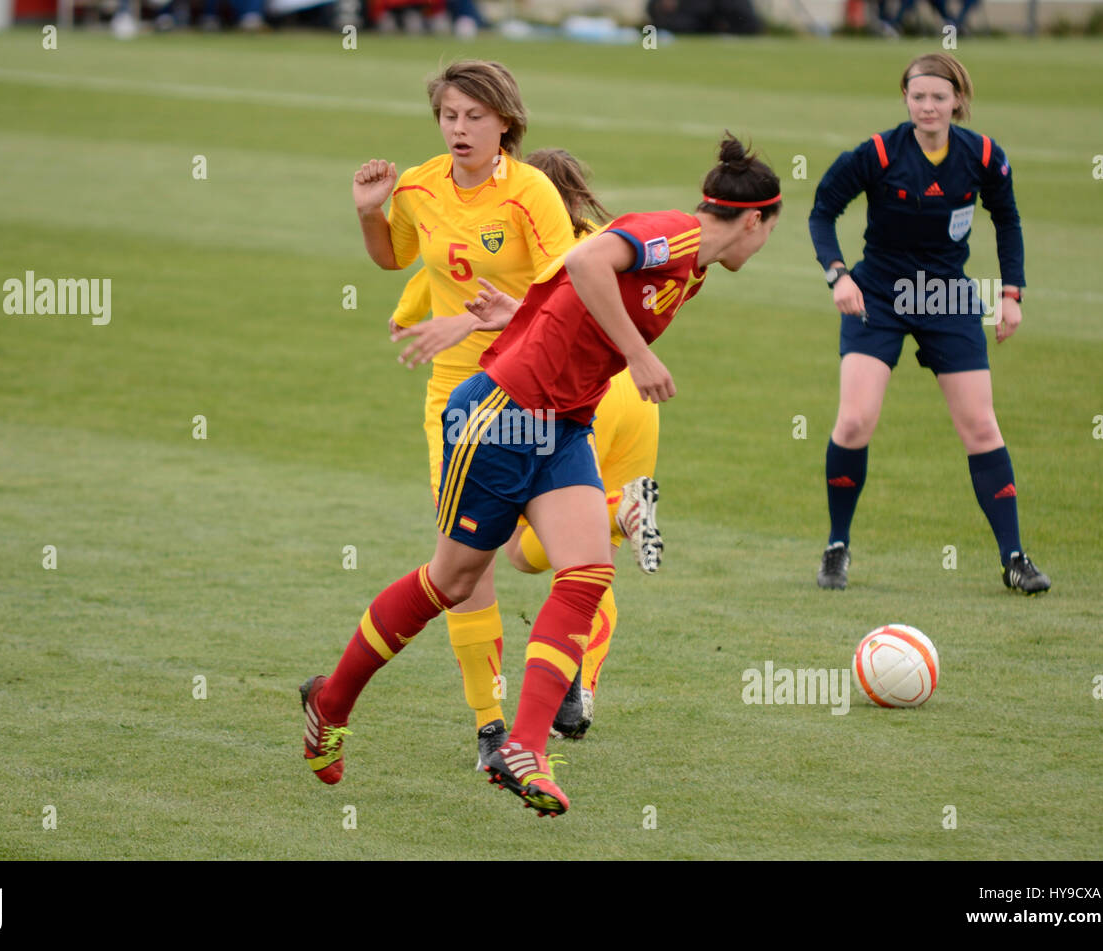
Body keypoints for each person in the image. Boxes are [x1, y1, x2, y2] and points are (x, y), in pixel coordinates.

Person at [304, 136, 781, 816]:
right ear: (756, 221)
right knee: (453, 579)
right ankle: (330, 700)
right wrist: (637, 353)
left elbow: (566, 276)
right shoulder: (675, 234)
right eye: (765, 235)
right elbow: (588, 257)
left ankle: (526, 748)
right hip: (500, 413)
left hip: (563, 426)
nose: (759, 248)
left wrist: (521, 312)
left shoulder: (692, 266)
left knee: (586, 570)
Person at [392, 147, 664, 746]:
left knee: (496, 557)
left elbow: (412, 306)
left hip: (536, 394)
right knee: (585, 558)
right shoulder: (607, 240)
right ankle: (580, 677)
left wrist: (434, 312)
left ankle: (491, 725)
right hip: (626, 397)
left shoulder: (499, 248)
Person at [351, 60, 578, 773]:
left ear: (505, 121)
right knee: (466, 566)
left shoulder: (531, 194)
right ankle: (490, 723)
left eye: (475, 117)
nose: (459, 129)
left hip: (537, 386)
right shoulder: (418, 186)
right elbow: (396, 258)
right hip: (457, 401)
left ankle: (571, 677)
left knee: (562, 555)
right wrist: (369, 212)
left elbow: (568, 295)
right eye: (450, 116)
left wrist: (489, 324)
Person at [808, 52, 1050, 595]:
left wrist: (1012, 292)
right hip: (879, 296)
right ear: (905, 99)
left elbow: (1007, 219)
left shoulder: (983, 154)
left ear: (958, 101)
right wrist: (838, 276)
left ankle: (1014, 558)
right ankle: (837, 547)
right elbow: (823, 210)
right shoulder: (876, 152)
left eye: (939, 97)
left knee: (982, 427)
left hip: (946, 296)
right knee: (854, 422)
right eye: (918, 96)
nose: (928, 106)